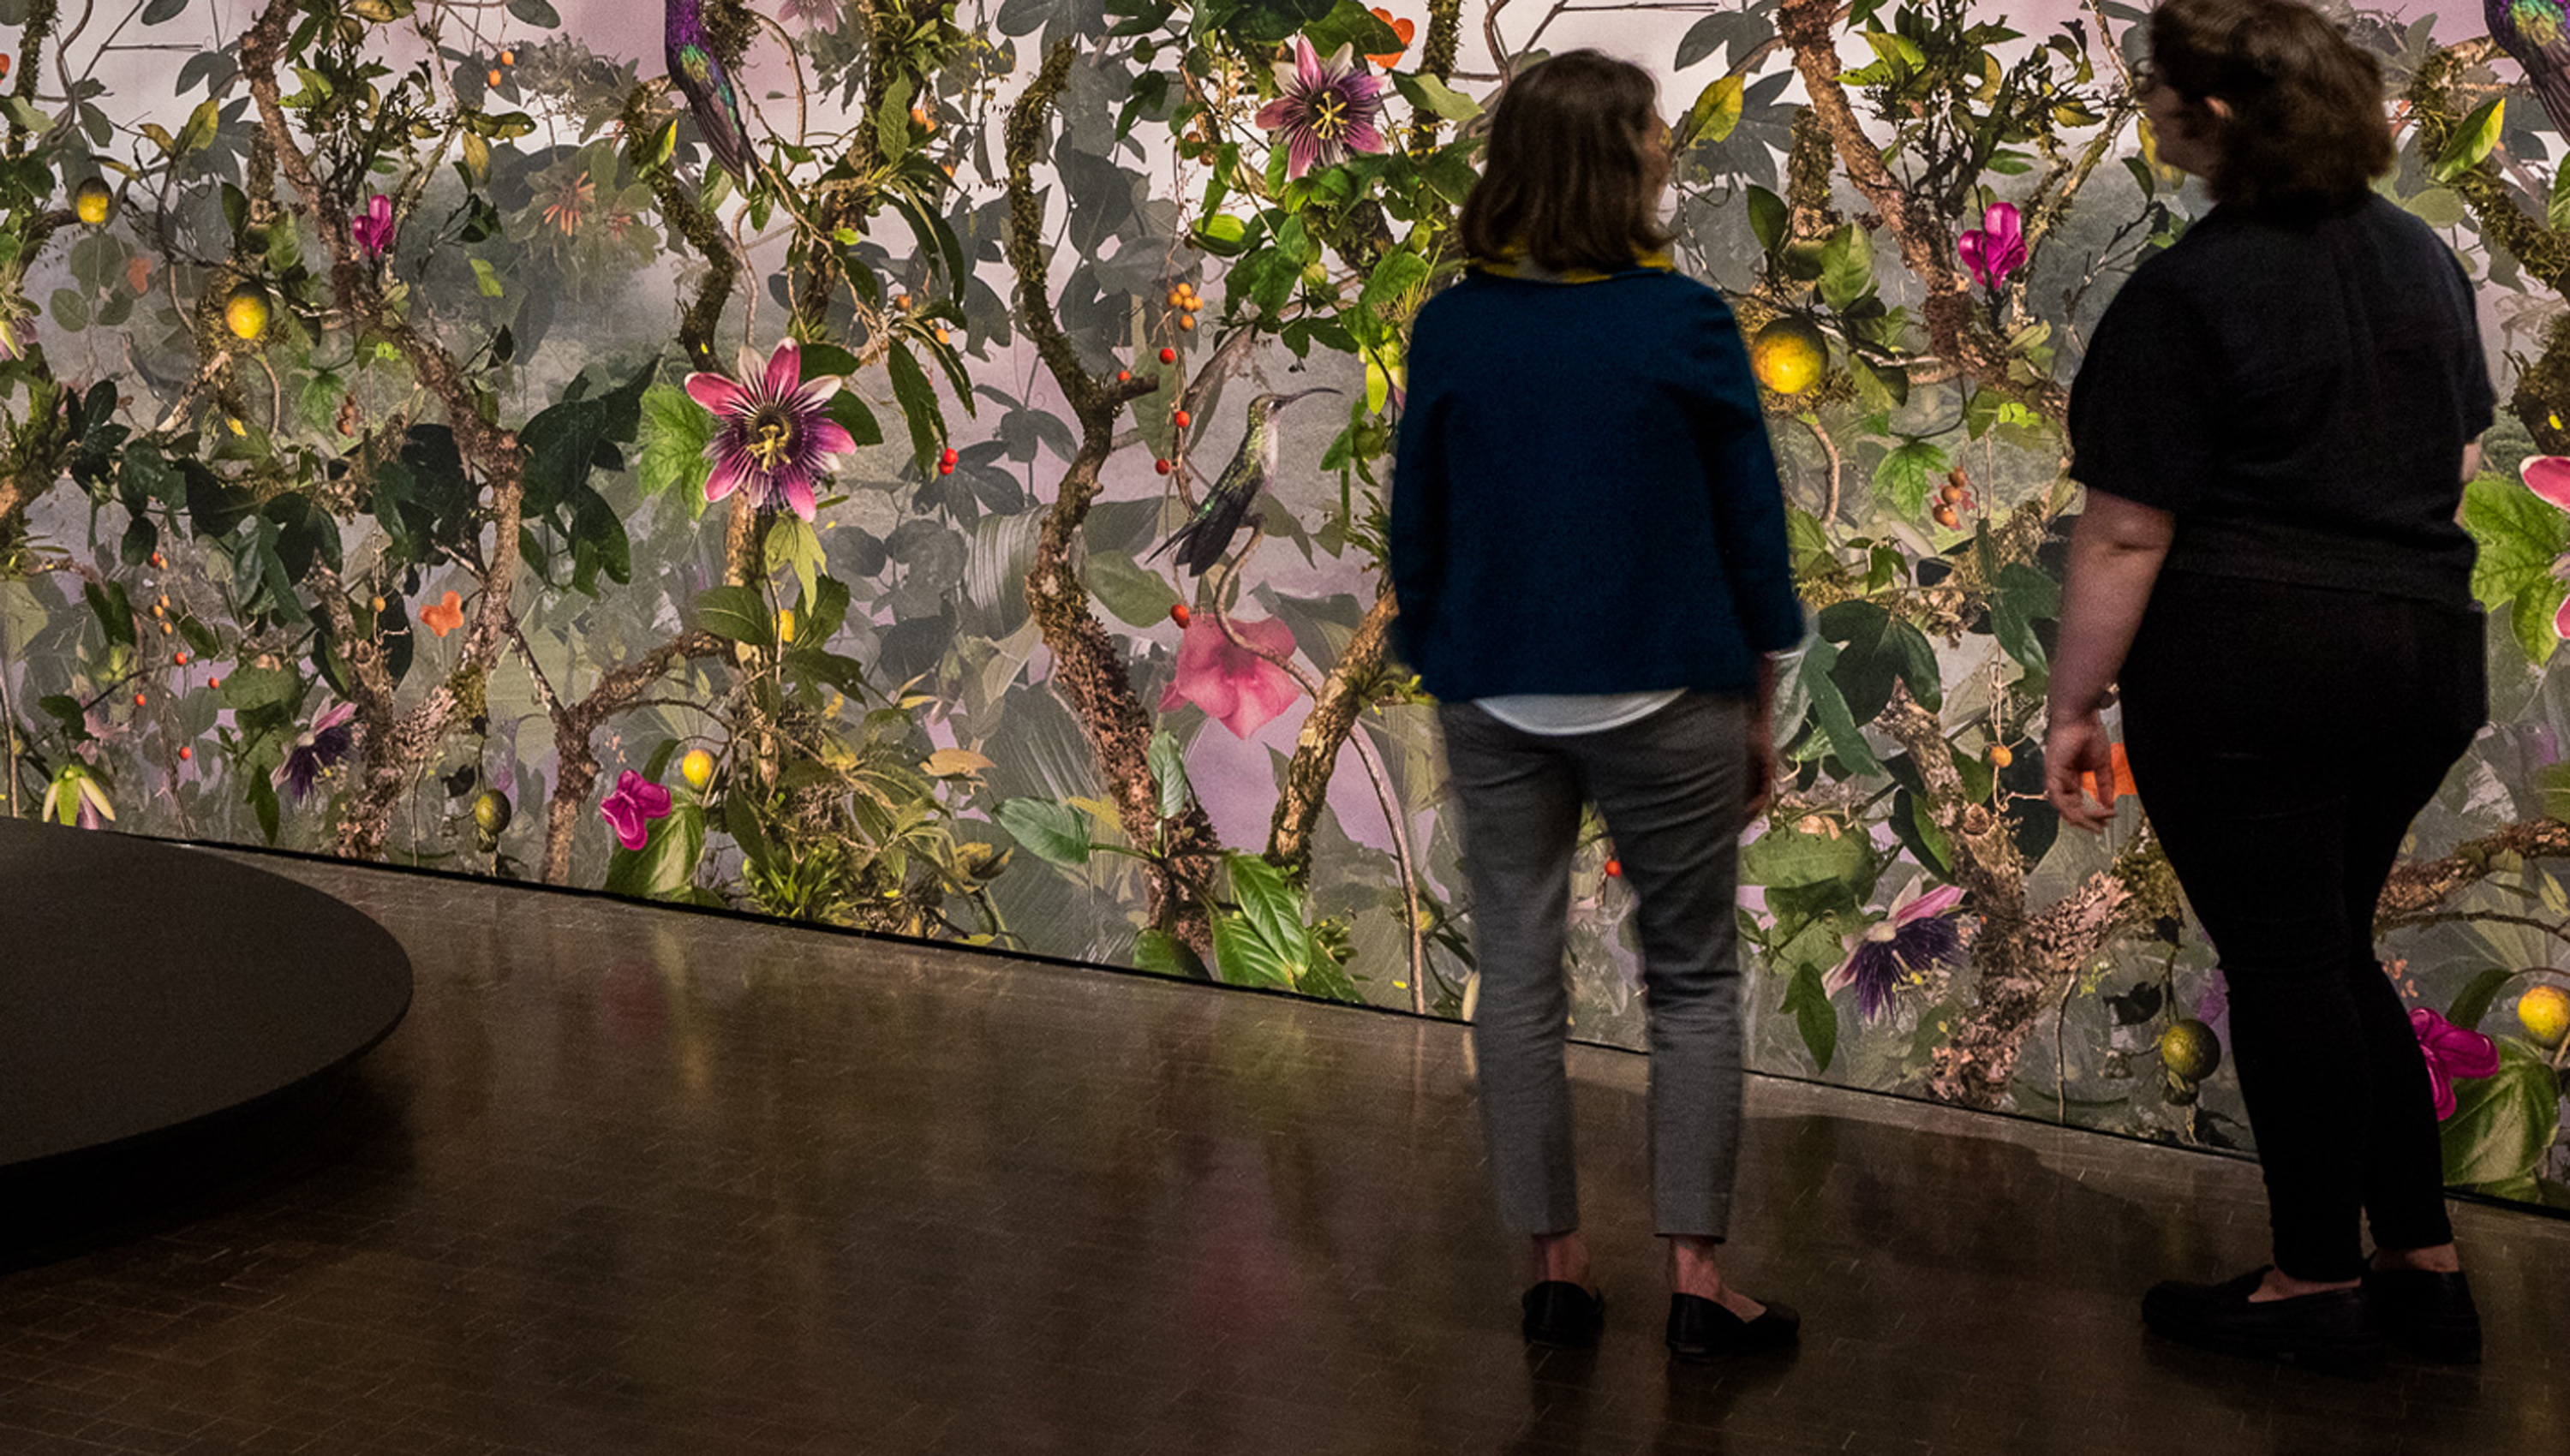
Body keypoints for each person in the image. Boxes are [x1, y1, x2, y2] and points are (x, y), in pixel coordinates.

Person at [2047, 0, 2491, 1371]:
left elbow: (2128, 531)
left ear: (2220, 115)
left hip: (2254, 668)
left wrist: (2072, 707)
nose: (2152, 111)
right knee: (2333, 946)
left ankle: (2315, 1279)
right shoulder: (2421, 258)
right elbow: (2455, 460)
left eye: (2164, 92)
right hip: (2423, 655)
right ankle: (2420, 1262)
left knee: (2290, 963)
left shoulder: (2189, 291)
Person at [1389, 49, 1805, 1361]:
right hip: (1670, 687)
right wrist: (1760, 701)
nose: (1668, 150)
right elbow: (1750, 534)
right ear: (1623, 164)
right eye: (1654, 136)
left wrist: (1445, 653)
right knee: (1691, 982)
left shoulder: (1455, 326)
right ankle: (1698, 1287)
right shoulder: (1683, 322)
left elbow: (1419, 527)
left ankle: (1554, 1276)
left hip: (1497, 688)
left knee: (1516, 977)